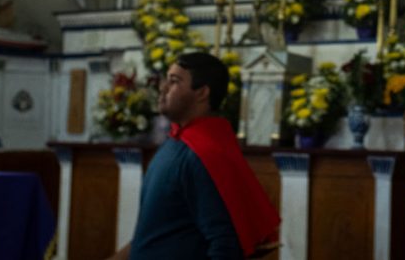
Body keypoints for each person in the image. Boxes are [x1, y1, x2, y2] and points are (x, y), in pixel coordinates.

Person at [109, 53, 279, 260]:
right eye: (166, 79)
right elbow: (154, 234)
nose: (162, 87)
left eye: (174, 81)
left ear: (202, 93)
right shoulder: (176, 142)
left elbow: (226, 244)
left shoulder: (204, 154)